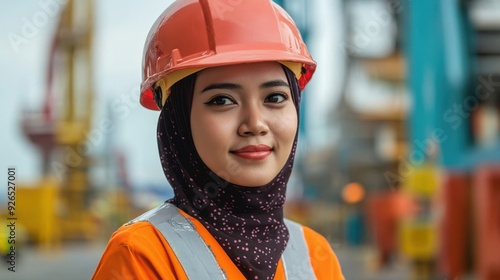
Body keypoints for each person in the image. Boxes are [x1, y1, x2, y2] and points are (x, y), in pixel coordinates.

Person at [92, 0, 344, 279]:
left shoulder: (314, 255)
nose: (255, 124)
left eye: (275, 98)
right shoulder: (142, 255)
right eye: (222, 100)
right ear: (178, 122)